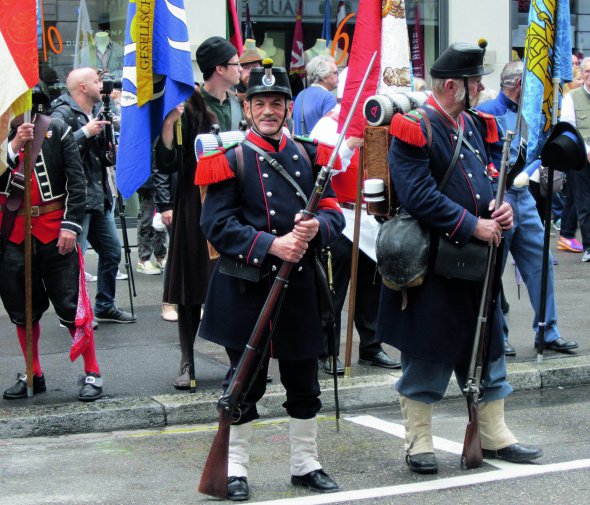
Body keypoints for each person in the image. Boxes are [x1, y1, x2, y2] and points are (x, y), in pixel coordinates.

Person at [377, 42, 542, 474]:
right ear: (453, 86)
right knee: (428, 353)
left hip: (476, 261)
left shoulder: (471, 123)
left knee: (487, 346)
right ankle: (419, 441)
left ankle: (493, 432)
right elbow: (419, 196)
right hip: (433, 262)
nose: (482, 87)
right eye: (475, 81)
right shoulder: (414, 127)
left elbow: (487, 178)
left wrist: (499, 209)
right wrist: (473, 225)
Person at [196, 61, 345, 500]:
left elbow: (335, 212)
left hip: (298, 289)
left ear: (289, 106)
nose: (268, 110)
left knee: (304, 380)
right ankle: (236, 469)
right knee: (245, 382)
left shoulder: (309, 153)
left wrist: (320, 228)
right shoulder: (229, 159)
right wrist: (270, 245)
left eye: (276, 103)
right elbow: (216, 225)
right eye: (259, 103)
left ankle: (305, 463)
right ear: (247, 107)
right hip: (247, 288)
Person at [1, 87, 103, 402]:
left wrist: (71, 226)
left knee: (71, 306)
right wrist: (14, 145)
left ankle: (93, 372)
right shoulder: (4, 136)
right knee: (22, 310)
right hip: (12, 234)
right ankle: (34, 373)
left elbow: (77, 181)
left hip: (55, 230)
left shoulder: (55, 128)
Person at [477, 61, 578, 355]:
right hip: (498, 195)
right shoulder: (488, 112)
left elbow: (536, 149)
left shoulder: (529, 113)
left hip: (523, 195)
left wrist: (533, 168)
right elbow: (483, 156)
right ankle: (497, 335)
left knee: (541, 263)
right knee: (494, 271)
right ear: (519, 84)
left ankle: (548, 331)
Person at [309, 81, 399, 374]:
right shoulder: (327, 126)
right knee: (332, 291)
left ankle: (371, 345)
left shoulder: (378, 121)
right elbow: (320, 170)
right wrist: (348, 144)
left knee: (372, 290)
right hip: (341, 219)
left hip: (372, 216)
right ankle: (326, 349)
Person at [51, 67, 136, 324]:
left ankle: (104, 305)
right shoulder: (61, 114)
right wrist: (86, 133)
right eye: (97, 81)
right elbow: (54, 152)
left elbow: (103, 156)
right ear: (83, 88)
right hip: (78, 198)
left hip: (100, 194)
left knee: (112, 252)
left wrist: (111, 148)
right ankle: (74, 312)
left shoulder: (100, 110)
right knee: (75, 260)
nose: (103, 85)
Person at [558, 56, 590, 262]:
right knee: (585, 204)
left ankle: (567, 233)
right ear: (582, 75)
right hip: (582, 159)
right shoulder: (572, 97)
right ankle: (589, 247)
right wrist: (586, 149)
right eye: (587, 72)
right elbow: (569, 128)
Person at [196, 36, 244, 131]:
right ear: (220, 69)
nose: (241, 69)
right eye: (236, 64)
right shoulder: (192, 107)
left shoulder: (239, 104)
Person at [292, 55, 338, 136]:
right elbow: (330, 134)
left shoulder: (301, 95)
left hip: (299, 147)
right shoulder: (329, 98)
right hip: (316, 147)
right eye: (335, 73)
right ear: (324, 77)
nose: (338, 76)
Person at [136, 173, 167, 276]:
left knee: (161, 224)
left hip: (161, 184)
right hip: (149, 185)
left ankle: (160, 258)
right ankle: (143, 260)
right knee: (147, 223)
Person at [236, 39, 264, 108]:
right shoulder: (231, 92)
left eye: (255, 67)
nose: (251, 71)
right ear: (240, 70)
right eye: (246, 67)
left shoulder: (269, 90)